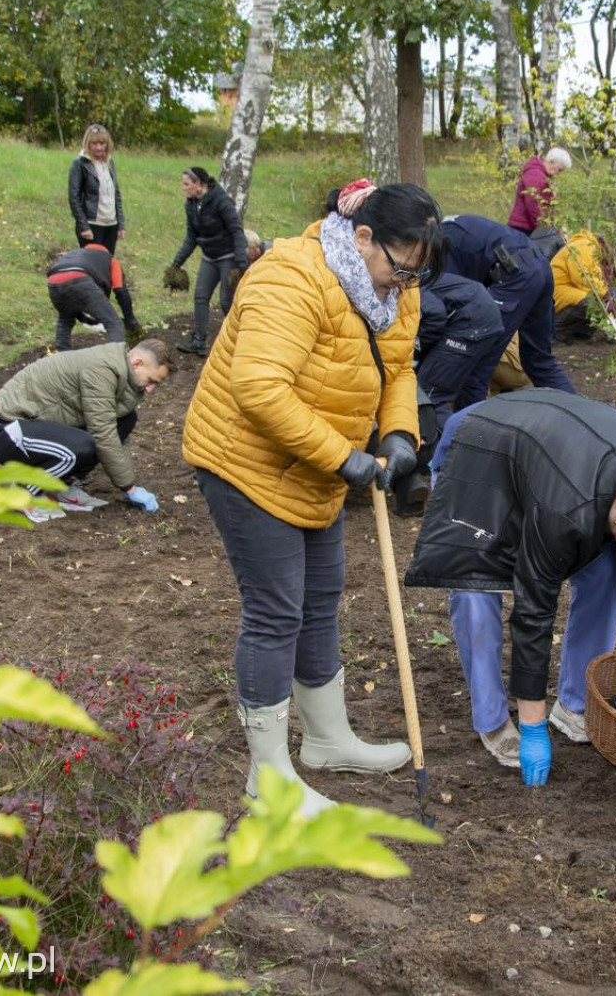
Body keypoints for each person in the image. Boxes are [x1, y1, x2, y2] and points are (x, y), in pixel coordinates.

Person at [181, 179, 444, 816]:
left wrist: (400, 433)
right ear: (362, 238)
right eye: (399, 269)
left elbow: (399, 366)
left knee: (321, 595)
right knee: (276, 609)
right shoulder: (290, 279)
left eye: (416, 277)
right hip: (245, 461)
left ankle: (326, 740)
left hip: (316, 466)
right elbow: (261, 390)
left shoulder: (393, 289)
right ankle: (267, 779)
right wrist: (345, 457)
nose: (402, 287)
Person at [404, 389, 616, 784]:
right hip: (480, 446)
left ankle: (576, 704)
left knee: (606, 570)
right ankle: (492, 719)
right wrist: (532, 726)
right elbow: (533, 610)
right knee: (475, 582)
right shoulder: (567, 511)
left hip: (551, 448)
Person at [0, 339, 175, 523]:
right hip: (7, 430)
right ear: (137, 363)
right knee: (79, 448)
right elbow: (103, 434)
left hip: (37, 426)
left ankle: (61, 486)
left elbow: (115, 435)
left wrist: (128, 482)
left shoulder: (121, 374)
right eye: (151, 381)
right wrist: (130, 488)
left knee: (126, 420)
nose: (150, 389)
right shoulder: (102, 370)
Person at [442, 215, 574, 407]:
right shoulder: (454, 228)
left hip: (512, 274)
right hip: (538, 266)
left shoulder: (438, 243)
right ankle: (585, 420)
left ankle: (471, 433)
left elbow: (449, 303)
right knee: (539, 361)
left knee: (474, 367)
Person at [168, 167, 249, 357]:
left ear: (199, 184)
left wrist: (241, 263)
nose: (183, 188)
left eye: (187, 184)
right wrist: (176, 264)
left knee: (226, 301)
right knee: (200, 296)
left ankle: (241, 342)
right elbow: (191, 238)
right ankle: (199, 342)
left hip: (228, 257)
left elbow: (237, 230)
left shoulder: (221, 201)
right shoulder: (191, 205)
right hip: (209, 257)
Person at [416, 273, 503, 430]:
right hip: (488, 319)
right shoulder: (417, 274)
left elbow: (435, 314)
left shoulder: (404, 284)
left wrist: (419, 347)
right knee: (472, 388)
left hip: (470, 323)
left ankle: (459, 448)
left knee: (429, 396)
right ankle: (481, 440)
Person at [47, 243, 141, 351]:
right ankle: (116, 362)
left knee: (65, 320)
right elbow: (121, 291)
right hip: (80, 279)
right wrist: (130, 320)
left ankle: (62, 359)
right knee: (114, 324)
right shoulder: (111, 260)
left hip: (53, 283)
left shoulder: (75, 254)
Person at [68, 124, 125, 253]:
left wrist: (121, 224)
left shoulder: (110, 163)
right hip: (92, 224)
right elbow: (73, 197)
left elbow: (116, 194)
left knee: (107, 265)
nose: (99, 147)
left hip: (111, 224)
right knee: (91, 265)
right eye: (94, 143)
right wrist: (83, 226)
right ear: (88, 143)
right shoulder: (80, 163)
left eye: (102, 143)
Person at [550, 230, 610, 344]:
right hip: (557, 292)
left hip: (566, 291)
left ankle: (580, 333)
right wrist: (605, 292)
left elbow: (593, 278)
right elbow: (580, 277)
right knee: (592, 303)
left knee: (599, 302)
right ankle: (557, 330)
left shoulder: (590, 248)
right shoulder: (585, 246)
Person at [507, 147, 572, 234]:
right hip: (522, 229)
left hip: (527, 228)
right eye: (560, 169)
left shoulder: (542, 175)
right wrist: (544, 231)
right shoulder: (535, 175)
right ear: (552, 162)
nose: (559, 173)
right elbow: (533, 206)